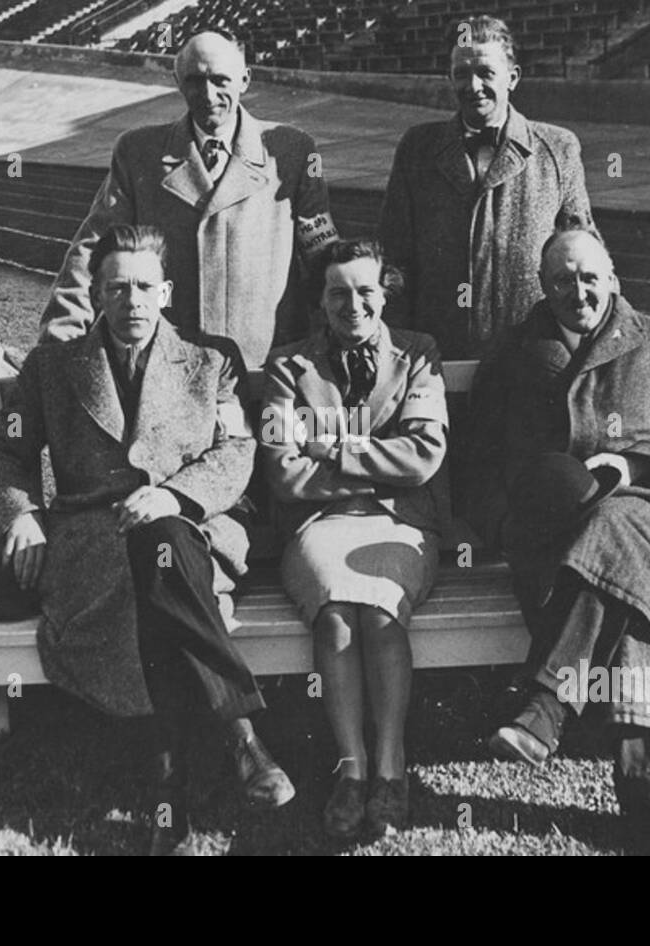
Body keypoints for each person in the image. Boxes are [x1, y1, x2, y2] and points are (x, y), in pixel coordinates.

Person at [0, 224, 294, 856]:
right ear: (95, 295)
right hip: (94, 544)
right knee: (148, 571)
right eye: (117, 288)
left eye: (145, 286)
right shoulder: (55, 366)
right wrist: (21, 515)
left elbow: (238, 448)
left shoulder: (211, 358)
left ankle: (168, 806)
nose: (133, 301)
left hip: (192, 529)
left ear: (166, 291)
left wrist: (173, 495)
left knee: (159, 546)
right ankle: (241, 735)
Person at [466, 220, 650, 855]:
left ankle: (546, 705)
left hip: (640, 509)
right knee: (626, 589)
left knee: (614, 526)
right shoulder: (513, 354)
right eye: (562, 280)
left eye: (589, 277)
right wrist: (504, 525)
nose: (577, 292)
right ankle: (642, 795)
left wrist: (630, 466)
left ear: (612, 279)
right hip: (549, 534)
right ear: (542, 286)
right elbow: (474, 464)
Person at [258, 239, 449, 841]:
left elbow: (423, 457)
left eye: (365, 291)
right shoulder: (288, 367)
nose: (353, 304)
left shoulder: (419, 355)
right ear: (319, 300)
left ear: (384, 291)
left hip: (401, 525)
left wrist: (335, 451)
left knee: (381, 610)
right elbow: (282, 474)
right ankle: (352, 771)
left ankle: (392, 769)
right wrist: (367, 474)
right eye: (337, 292)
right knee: (338, 613)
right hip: (317, 529)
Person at [39, 30, 338, 367]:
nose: (208, 95)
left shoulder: (294, 151)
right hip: (166, 368)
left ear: (245, 79)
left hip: (266, 367)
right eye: (195, 81)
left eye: (220, 80)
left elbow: (321, 251)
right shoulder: (138, 152)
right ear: (177, 81)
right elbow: (93, 247)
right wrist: (62, 336)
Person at [379, 14, 593, 359]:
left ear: (513, 77)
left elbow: (583, 254)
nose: (473, 86)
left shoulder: (558, 148)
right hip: (435, 358)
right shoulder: (417, 148)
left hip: (530, 360)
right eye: (461, 74)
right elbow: (393, 260)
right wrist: (397, 351)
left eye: (485, 73)